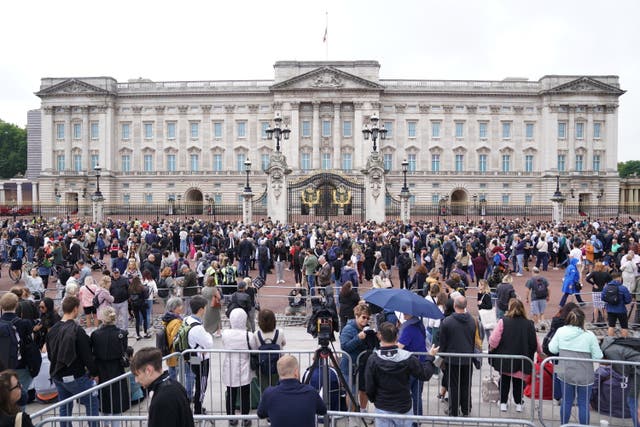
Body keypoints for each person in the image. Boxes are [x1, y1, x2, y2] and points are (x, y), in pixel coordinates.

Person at [365, 321, 438, 427]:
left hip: (383, 406)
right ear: (397, 336)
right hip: (402, 406)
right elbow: (424, 374)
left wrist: (374, 399)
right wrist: (430, 357)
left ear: (380, 336)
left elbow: (369, 386)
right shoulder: (408, 357)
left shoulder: (373, 359)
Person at [46, 296, 99, 427]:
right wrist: (94, 372)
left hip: (57, 375)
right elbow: (87, 355)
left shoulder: (53, 330)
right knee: (92, 403)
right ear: (75, 309)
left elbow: (50, 353)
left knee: (64, 407)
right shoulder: (77, 331)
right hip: (75, 375)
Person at [548, 307, 602, 425]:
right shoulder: (589, 335)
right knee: (583, 403)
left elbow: (552, 348)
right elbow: (598, 356)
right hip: (585, 374)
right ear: (583, 320)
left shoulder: (561, 331)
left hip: (565, 372)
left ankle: (564, 424)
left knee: (566, 401)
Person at [488, 298, 538, 413]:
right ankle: (519, 403)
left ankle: (503, 403)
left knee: (505, 380)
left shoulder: (503, 321)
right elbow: (535, 342)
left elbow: (494, 340)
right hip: (522, 358)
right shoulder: (529, 324)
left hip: (506, 358)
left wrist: (492, 348)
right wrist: (539, 353)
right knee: (519, 382)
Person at [130, 347, 194, 427]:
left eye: (137, 375)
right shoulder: (176, 385)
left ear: (148, 371)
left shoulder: (162, 400)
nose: (136, 380)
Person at [257, 355, 327, 427]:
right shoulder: (311, 392)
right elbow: (323, 410)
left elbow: (261, 414)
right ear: (296, 372)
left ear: (279, 372)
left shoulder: (269, 393)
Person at [90, 307, 130, 424]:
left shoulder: (95, 334)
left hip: (101, 370)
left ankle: (106, 424)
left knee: (103, 400)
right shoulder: (121, 334)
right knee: (117, 401)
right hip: (117, 370)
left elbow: (93, 353)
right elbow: (124, 352)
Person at [438, 296, 476, 417]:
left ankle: (453, 411)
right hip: (467, 358)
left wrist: (441, 357)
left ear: (455, 306)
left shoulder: (447, 322)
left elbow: (442, 343)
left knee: (453, 386)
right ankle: (466, 409)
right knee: (466, 385)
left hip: (452, 359)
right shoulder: (472, 320)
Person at [339, 302, 377, 416]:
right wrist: (358, 338)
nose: (365, 320)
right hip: (350, 367)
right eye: (363, 317)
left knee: (364, 390)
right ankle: (352, 416)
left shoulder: (366, 328)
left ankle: (363, 412)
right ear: (356, 316)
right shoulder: (348, 329)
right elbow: (344, 346)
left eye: (368, 318)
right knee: (351, 393)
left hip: (363, 366)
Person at [222, 308, 258, 426]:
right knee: (245, 394)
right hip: (244, 366)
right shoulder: (249, 335)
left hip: (230, 366)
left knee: (231, 393)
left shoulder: (225, 334)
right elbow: (254, 348)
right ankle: (245, 418)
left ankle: (231, 417)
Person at [0, 293, 35, 407]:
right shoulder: (24, 323)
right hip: (21, 365)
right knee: (20, 397)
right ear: (16, 305)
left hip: (3, 366)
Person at [181, 295, 214, 415]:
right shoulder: (198, 328)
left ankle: (196, 404)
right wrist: (208, 336)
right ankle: (198, 409)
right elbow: (209, 343)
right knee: (202, 383)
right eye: (204, 308)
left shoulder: (187, 319)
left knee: (196, 377)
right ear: (200, 309)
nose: (205, 310)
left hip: (192, 356)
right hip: (201, 359)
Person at [397, 312, 429, 424]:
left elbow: (399, 347)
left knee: (404, 394)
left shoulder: (408, 328)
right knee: (417, 396)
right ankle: (417, 420)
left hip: (409, 366)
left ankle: (406, 421)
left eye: (407, 312)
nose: (404, 313)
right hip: (421, 363)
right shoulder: (420, 325)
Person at [255, 309, 286, 391]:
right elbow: (284, 343)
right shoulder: (280, 333)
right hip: (278, 365)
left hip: (262, 366)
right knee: (277, 387)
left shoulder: (256, 334)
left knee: (264, 388)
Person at [602, 270, 633, 337]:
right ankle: (624, 343)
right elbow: (628, 300)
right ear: (619, 278)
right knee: (624, 327)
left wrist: (610, 301)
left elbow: (602, 298)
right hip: (621, 310)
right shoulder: (623, 288)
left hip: (610, 309)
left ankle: (609, 341)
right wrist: (622, 302)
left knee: (611, 326)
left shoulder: (606, 287)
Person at [160, 297, 184, 381]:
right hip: (175, 352)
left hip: (169, 351)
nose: (182, 307)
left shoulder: (168, 318)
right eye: (180, 306)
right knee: (174, 374)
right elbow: (176, 338)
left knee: (172, 372)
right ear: (175, 308)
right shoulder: (177, 322)